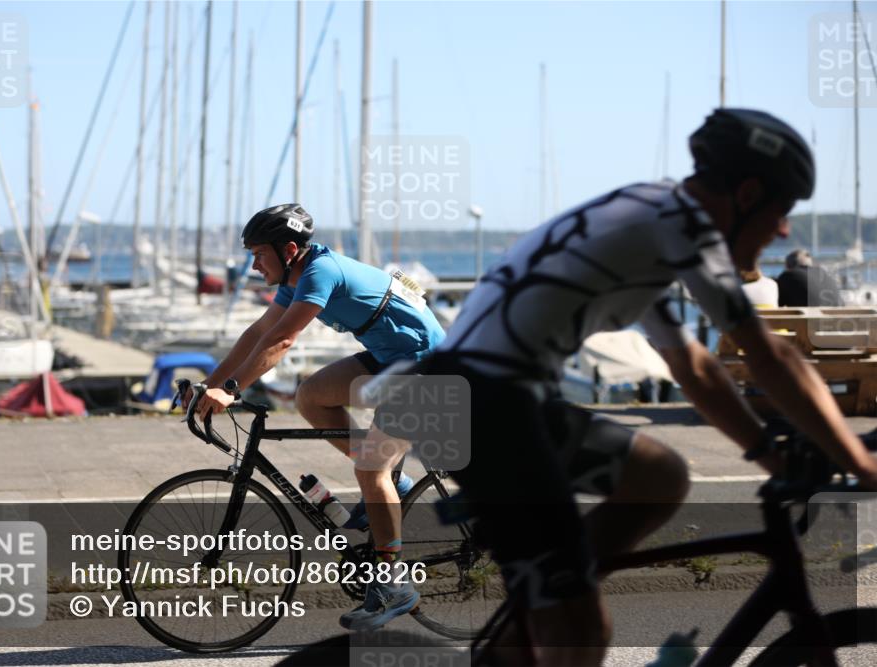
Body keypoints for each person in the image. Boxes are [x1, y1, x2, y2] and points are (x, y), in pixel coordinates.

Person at [372, 108, 877, 666]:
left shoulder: (650, 216)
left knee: (658, 476)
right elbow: (767, 352)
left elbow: (694, 367)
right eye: (783, 212)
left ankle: (541, 606)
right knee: (583, 633)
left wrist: (765, 453)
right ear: (749, 193)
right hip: (478, 405)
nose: (784, 231)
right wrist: (859, 461)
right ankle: (554, 603)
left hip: (488, 398)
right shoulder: (683, 224)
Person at [191, 203, 446, 630]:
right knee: (310, 396)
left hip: (426, 366)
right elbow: (258, 334)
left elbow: (284, 339)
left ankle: (392, 584)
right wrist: (210, 383)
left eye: (259, 254)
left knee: (370, 469)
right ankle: (392, 486)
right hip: (391, 360)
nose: (253, 265)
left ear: (289, 249)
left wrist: (233, 389)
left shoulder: (321, 273)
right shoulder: (297, 276)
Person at [777, 248, 844, 307]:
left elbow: (776, 304)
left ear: (788, 266)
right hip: (838, 319)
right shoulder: (825, 274)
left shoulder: (788, 276)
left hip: (810, 320)